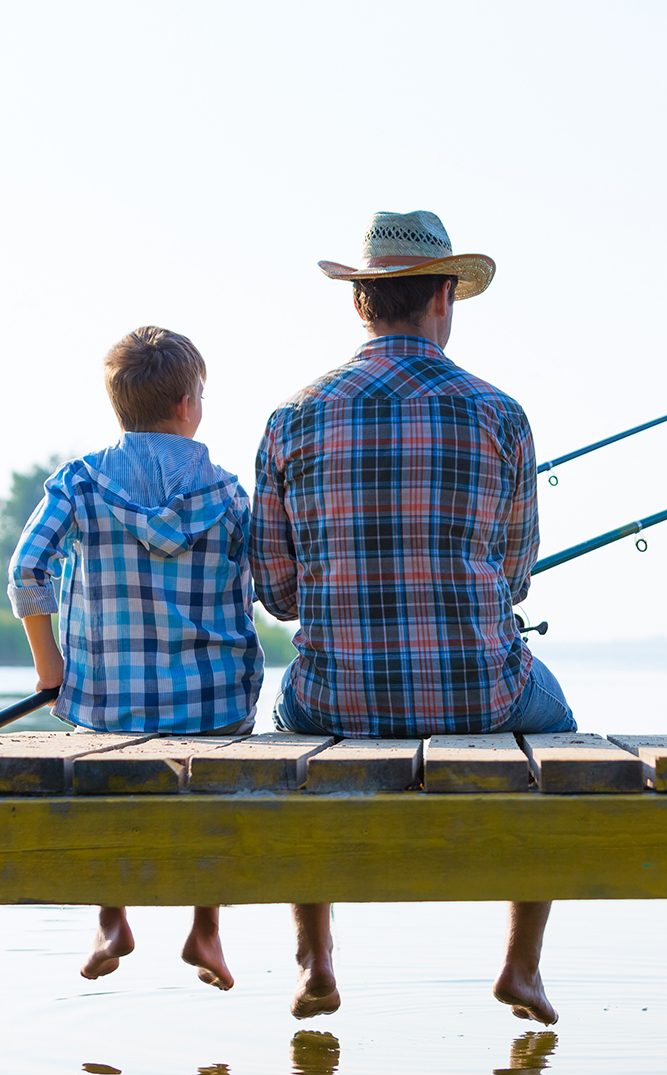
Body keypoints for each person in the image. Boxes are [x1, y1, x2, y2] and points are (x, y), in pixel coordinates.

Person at [251, 211, 575, 1025]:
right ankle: (522, 967)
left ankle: (315, 961)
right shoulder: (500, 414)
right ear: (441, 297)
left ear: (362, 303)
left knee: (293, 733)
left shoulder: (291, 418)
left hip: (333, 702)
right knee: (561, 729)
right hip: (484, 698)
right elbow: (513, 575)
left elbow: (279, 593)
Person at [8, 326, 264, 990]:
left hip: (106, 706)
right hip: (216, 707)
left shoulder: (80, 484)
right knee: (215, 790)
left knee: (106, 778)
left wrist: (50, 669)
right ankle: (206, 932)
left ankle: (111, 919)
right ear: (187, 403)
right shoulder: (230, 496)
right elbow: (269, 584)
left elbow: (26, 570)